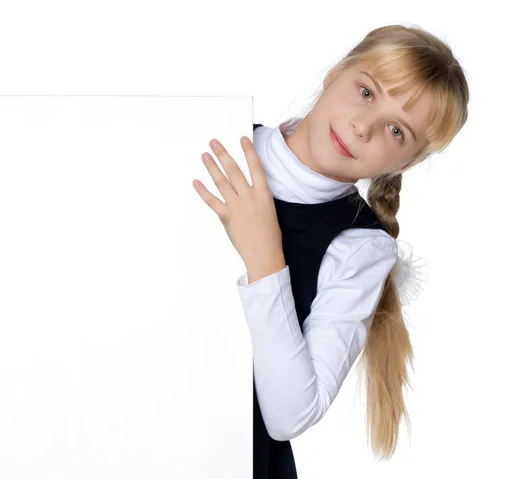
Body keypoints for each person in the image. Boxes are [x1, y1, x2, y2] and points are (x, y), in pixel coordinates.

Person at [193, 24, 469, 477]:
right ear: (335, 73)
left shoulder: (360, 248)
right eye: (366, 92)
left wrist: (265, 255)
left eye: (396, 131)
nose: (363, 127)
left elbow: (289, 416)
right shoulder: (212, 140)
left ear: (407, 163)